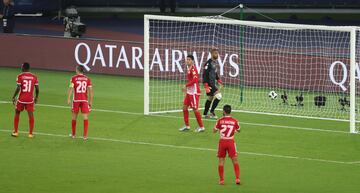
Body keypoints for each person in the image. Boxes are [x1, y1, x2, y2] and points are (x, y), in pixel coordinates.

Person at [213, 105, 241, 185]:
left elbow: (214, 131)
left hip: (222, 142)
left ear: (224, 111)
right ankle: (237, 179)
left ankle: (221, 180)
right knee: (234, 160)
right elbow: (239, 130)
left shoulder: (220, 120)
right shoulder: (234, 120)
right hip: (231, 142)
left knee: (221, 161)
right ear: (230, 111)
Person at [12, 62, 39, 138]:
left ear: (24, 68)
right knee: (30, 114)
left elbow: (18, 88)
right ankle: (30, 134)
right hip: (30, 99)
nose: (21, 68)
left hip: (21, 99)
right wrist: (36, 97)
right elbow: (37, 88)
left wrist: (13, 97)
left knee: (17, 112)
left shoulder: (20, 76)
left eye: (21, 67)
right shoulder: (34, 76)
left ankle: (16, 132)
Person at [179, 55, 205, 132]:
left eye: (189, 59)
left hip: (194, 92)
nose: (187, 61)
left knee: (195, 109)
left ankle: (201, 127)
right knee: (184, 107)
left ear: (192, 61)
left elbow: (195, 80)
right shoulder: (189, 68)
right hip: (189, 92)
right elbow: (191, 80)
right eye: (187, 59)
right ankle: (187, 126)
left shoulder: (193, 69)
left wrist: (186, 85)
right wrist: (187, 88)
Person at [67, 65, 93, 140]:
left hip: (76, 100)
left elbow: (71, 88)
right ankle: (85, 136)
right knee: (85, 118)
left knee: (74, 117)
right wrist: (90, 101)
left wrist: (68, 98)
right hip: (84, 100)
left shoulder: (73, 78)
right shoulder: (87, 79)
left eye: (76, 69)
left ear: (78, 70)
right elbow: (90, 91)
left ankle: (73, 135)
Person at [203, 48, 223, 119]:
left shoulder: (214, 62)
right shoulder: (208, 63)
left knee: (210, 98)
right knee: (219, 96)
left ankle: (205, 113)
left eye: (217, 53)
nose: (216, 54)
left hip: (212, 83)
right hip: (209, 84)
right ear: (211, 54)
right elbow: (204, 74)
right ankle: (211, 112)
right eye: (215, 53)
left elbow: (215, 72)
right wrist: (206, 85)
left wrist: (218, 79)